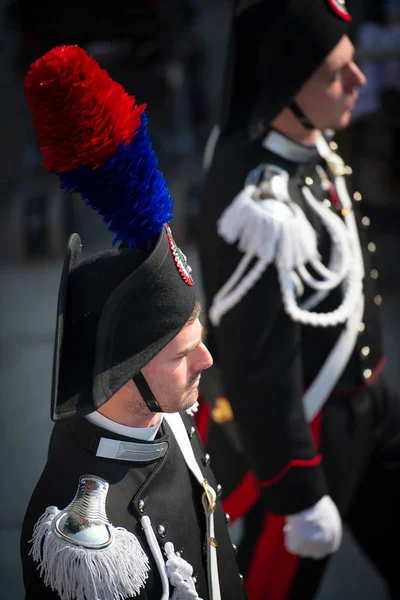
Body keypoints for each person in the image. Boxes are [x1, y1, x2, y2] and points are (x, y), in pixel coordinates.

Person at [20, 45, 247, 600]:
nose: (207, 361)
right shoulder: (83, 536)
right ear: (122, 371)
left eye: (199, 340)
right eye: (182, 353)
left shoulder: (164, 418)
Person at [197, 1, 400, 598]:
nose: (358, 81)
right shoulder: (254, 201)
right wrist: (297, 492)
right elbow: (258, 366)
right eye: (336, 73)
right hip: (308, 432)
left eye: (354, 63)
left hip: (373, 404)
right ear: (284, 86)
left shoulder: (308, 141)